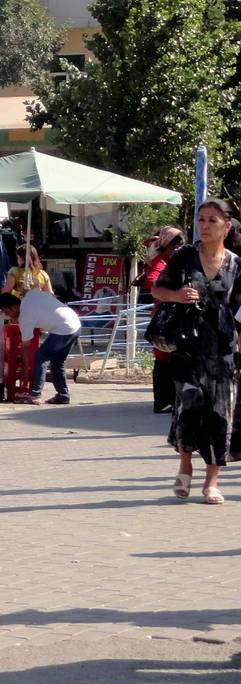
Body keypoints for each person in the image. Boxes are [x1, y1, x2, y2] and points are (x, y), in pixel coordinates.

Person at [152, 199, 241, 505]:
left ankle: (212, 482)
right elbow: (157, 289)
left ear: (226, 227)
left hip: (224, 352)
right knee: (188, 407)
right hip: (188, 349)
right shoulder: (184, 256)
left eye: (211, 220)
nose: (203, 226)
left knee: (219, 415)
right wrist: (177, 295)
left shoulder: (236, 265)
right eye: (201, 219)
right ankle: (185, 466)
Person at [0, 288, 81, 405]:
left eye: (7, 312)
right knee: (58, 362)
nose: (8, 316)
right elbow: (46, 295)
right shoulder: (31, 295)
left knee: (42, 356)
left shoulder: (25, 318)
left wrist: (26, 370)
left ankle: (35, 395)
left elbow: (25, 347)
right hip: (75, 322)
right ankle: (63, 396)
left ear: (14, 307)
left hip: (64, 328)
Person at [139, 226, 185, 413]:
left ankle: (169, 400)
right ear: (166, 246)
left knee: (169, 358)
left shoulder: (169, 260)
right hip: (166, 317)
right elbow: (151, 282)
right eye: (176, 244)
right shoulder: (160, 262)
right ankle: (163, 401)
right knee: (164, 358)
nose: (179, 248)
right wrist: (173, 292)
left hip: (170, 314)